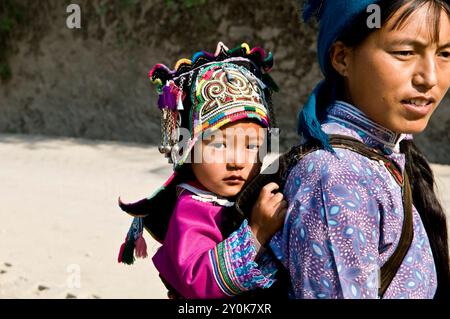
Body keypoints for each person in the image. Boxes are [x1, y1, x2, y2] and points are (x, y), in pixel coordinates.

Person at [267, 0, 450, 299]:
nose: (430, 78)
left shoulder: (388, 156)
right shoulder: (336, 178)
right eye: (404, 52)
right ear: (342, 58)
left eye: (444, 54)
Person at [117, 42, 287, 299]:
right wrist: (257, 232)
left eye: (252, 146)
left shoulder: (253, 192)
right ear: (189, 150)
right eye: (219, 144)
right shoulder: (192, 210)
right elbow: (199, 283)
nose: (237, 161)